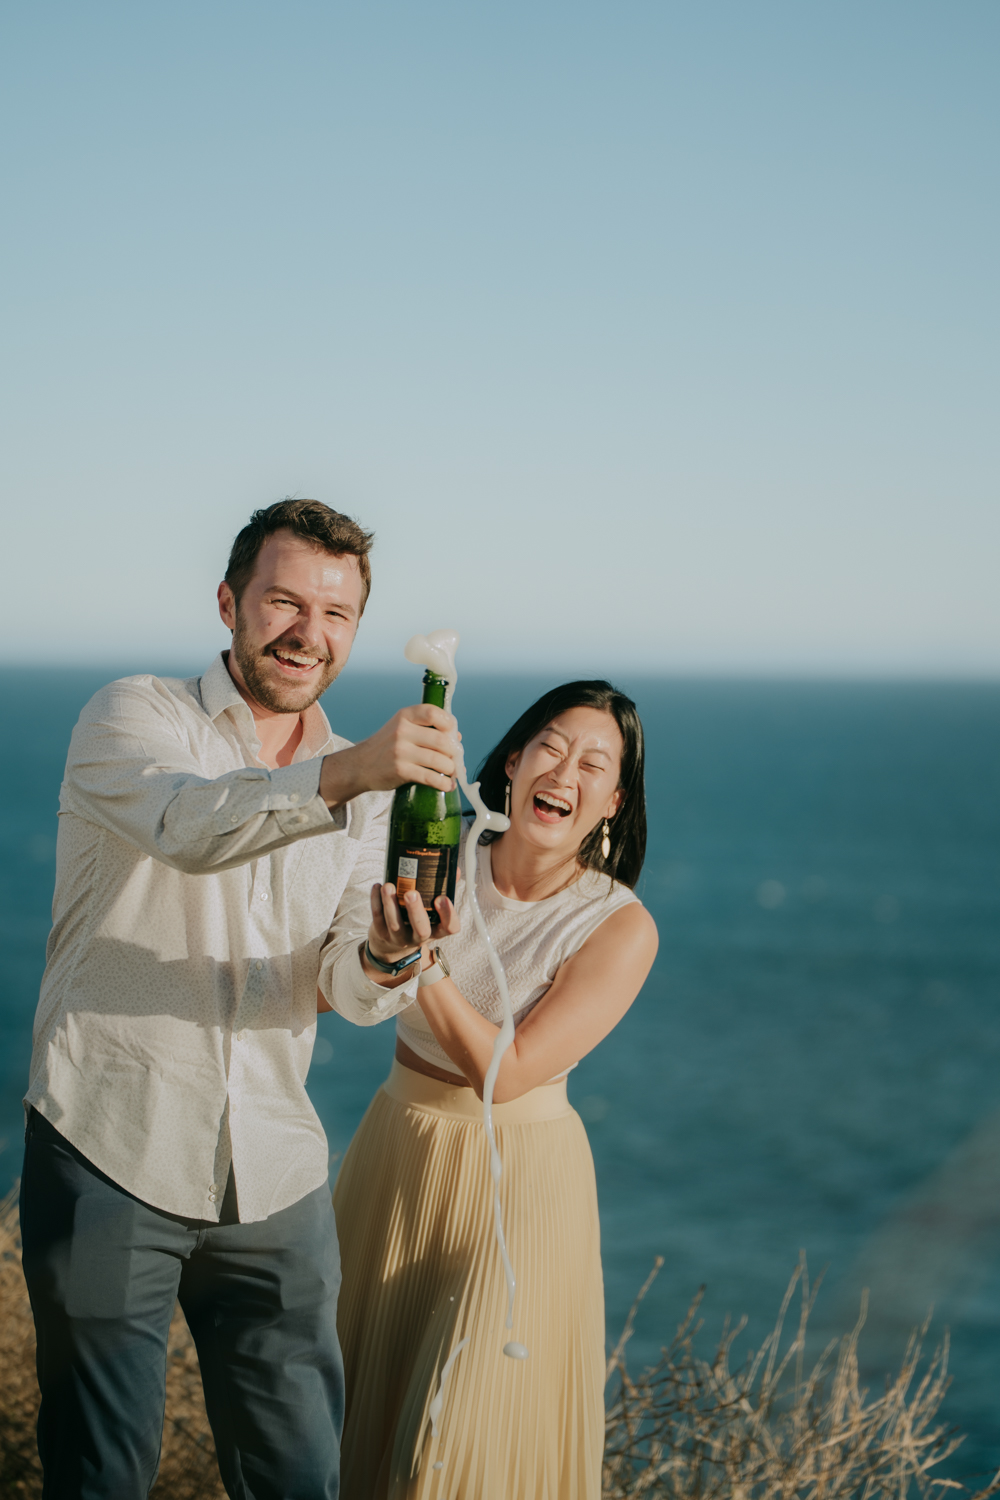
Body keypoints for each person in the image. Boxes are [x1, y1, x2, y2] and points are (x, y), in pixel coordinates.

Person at [19, 498, 458, 1500]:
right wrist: (347, 772)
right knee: (99, 1477)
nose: (308, 633)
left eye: (336, 614)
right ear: (229, 602)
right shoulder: (133, 716)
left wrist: (389, 957)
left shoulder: (373, 791)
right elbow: (185, 824)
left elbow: (344, 985)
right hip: (109, 1140)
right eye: (283, 602)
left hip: (274, 1168)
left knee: (301, 1477)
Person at [323, 680, 659, 1499]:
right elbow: (343, 967)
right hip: (398, 1149)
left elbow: (505, 1076)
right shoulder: (429, 849)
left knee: (453, 1449)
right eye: (551, 746)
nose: (565, 771)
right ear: (512, 761)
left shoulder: (619, 926)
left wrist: (420, 960)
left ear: (612, 802)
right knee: (351, 1415)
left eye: (594, 764)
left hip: (521, 1188)